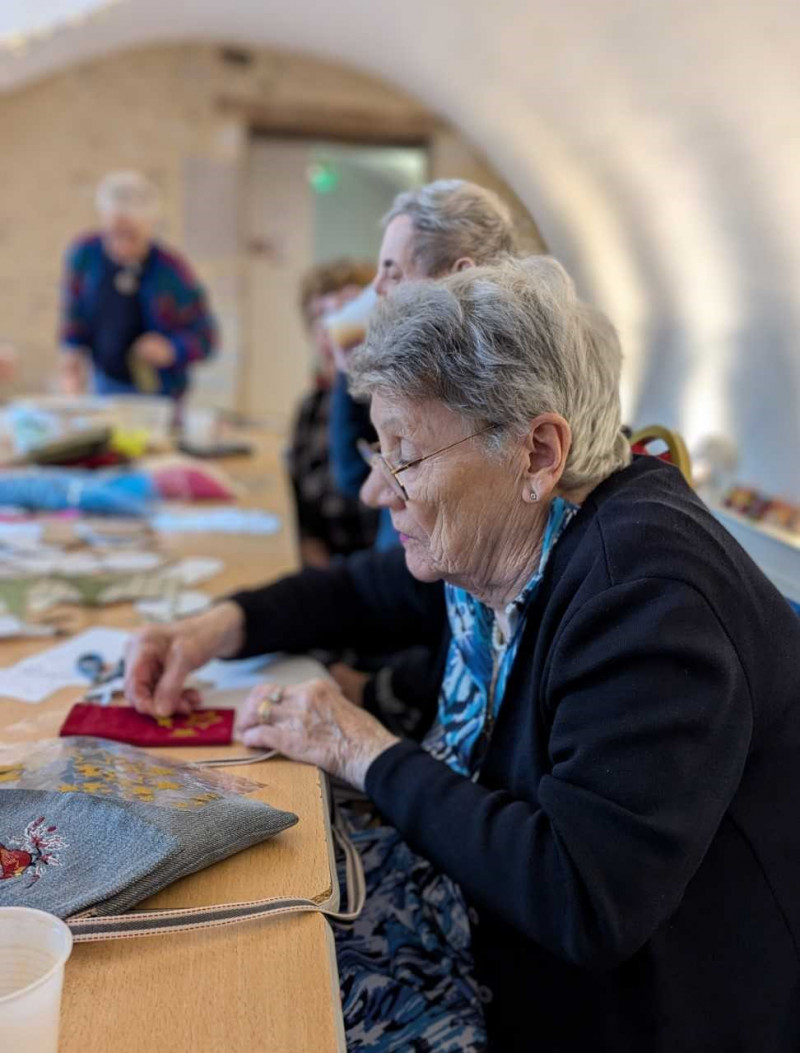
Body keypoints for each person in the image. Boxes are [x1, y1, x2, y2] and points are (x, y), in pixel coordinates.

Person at [125, 257, 800, 1052]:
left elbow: (580, 896)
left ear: (538, 452)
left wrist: (360, 748)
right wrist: (219, 623)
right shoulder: (512, 529)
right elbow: (365, 589)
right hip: (503, 927)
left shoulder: (645, 598)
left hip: (629, 1004)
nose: (378, 491)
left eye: (403, 454)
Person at [328, 178, 519, 551]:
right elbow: (355, 480)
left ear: (458, 276)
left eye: (393, 272)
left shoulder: (464, 396)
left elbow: (354, 482)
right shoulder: (420, 375)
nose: (378, 289)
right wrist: (349, 367)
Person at [59, 171, 217, 400]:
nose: (121, 245)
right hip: (105, 385)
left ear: (149, 227)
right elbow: (74, 319)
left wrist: (171, 349)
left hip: (160, 393)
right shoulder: (84, 256)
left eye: (131, 236)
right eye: (114, 234)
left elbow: (207, 337)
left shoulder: (171, 271)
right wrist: (71, 358)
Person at [289, 259, 379, 567]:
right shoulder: (310, 408)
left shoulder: (382, 406)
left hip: (369, 571)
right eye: (321, 315)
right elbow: (300, 504)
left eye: (346, 311)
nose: (333, 326)